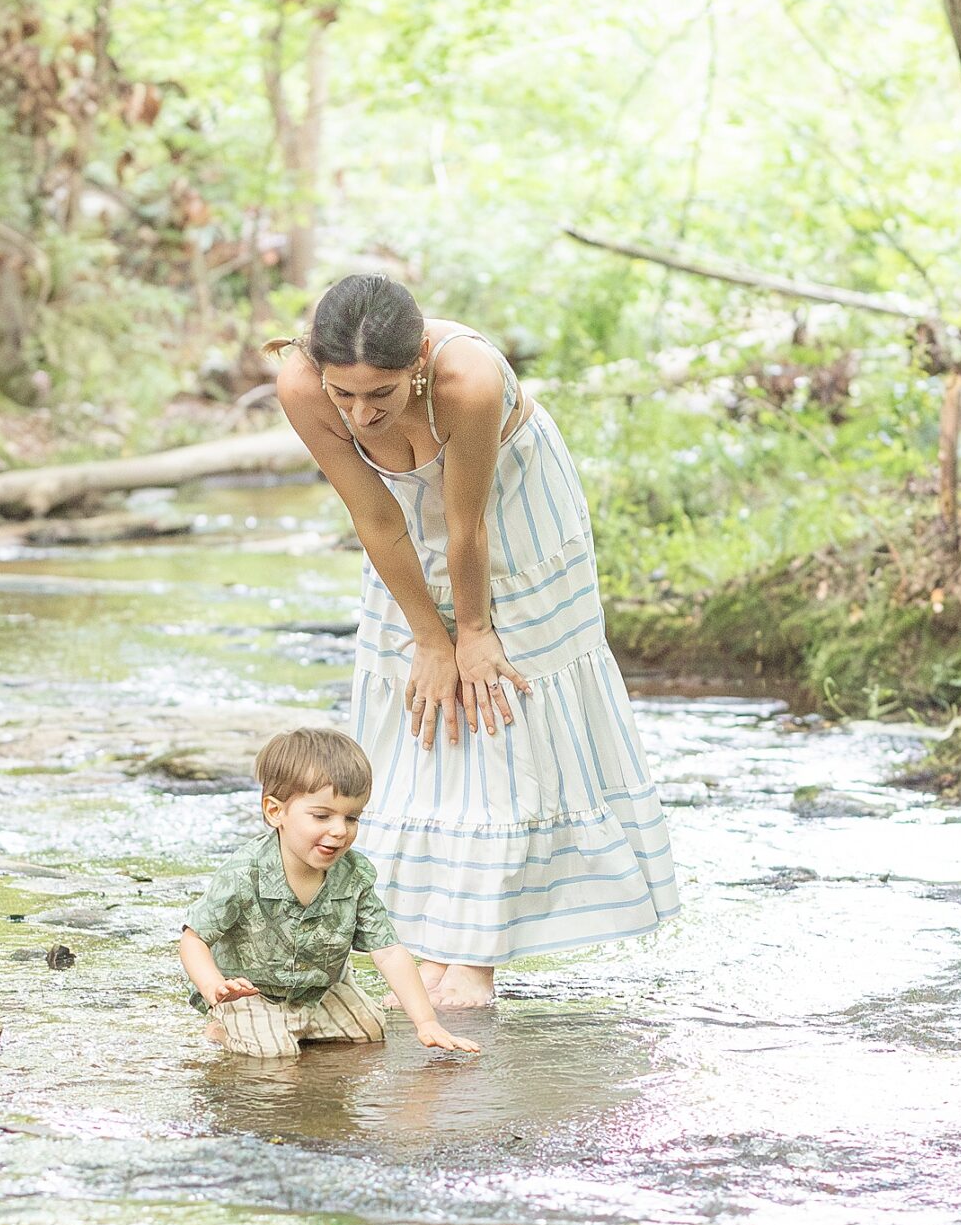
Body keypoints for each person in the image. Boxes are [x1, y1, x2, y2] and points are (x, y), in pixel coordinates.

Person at [276, 274, 679, 1008]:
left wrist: (472, 634)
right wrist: (428, 639)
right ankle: (428, 939)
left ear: (419, 363)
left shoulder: (467, 379)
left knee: (498, 700)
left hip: (512, 508)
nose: (360, 416)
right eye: (344, 395)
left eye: (382, 395)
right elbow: (374, 518)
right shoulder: (301, 387)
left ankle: (478, 957)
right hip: (394, 528)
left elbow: (468, 527)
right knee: (420, 704)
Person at [179, 726, 479, 1059]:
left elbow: (389, 952)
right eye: (322, 816)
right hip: (250, 993)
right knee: (273, 1055)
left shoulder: (353, 875)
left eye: (352, 817)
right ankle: (224, 1025)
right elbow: (194, 938)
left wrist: (426, 1022)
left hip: (317, 988)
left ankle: (299, 1024)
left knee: (370, 1032)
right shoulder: (244, 873)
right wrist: (214, 987)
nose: (339, 831)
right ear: (275, 811)